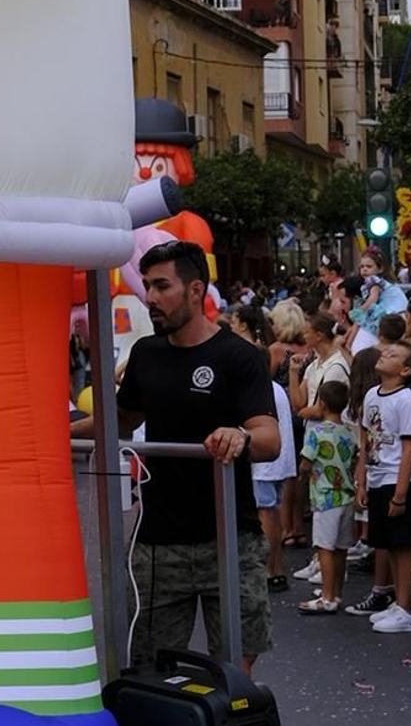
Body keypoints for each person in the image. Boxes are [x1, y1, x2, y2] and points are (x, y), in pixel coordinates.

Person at [110, 243, 280, 673]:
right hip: (157, 542)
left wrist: (238, 435)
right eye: (147, 285)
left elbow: (269, 438)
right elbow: (119, 422)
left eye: (161, 286)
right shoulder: (146, 354)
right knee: (149, 672)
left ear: (194, 290)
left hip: (228, 539)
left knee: (232, 675)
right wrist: (51, 427)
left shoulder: (238, 357)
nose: (150, 297)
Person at [356, 339, 411, 632]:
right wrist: (361, 481)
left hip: (399, 479)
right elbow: (365, 440)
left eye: (393, 355)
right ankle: (399, 602)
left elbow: (409, 448)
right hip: (376, 476)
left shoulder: (406, 400)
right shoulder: (372, 394)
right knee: (389, 544)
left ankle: (408, 608)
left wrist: (400, 494)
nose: (384, 354)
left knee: (404, 545)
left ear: (406, 370)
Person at [297, 377, 356, 615]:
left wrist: (304, 476)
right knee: (341, 549)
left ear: (321, 402)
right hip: (346, 495)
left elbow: (306, 463)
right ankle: (337, 592)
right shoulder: (348, 433)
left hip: (324, 496)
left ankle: (327, 596)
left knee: (325, 548)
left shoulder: (316, 432)